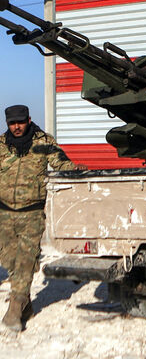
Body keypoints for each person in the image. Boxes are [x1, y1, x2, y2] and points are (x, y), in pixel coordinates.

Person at [0, 105, 86, 332]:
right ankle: (26, 303)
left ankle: (15, 308)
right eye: (12, 123)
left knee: (26, 259)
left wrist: (74, 169)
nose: (16, 127)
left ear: (28, 119)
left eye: (20, 122)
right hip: (4, 213)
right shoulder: (1, 145)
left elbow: (61, 162)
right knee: (10, 260)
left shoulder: (43, 141)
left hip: (32, 213)